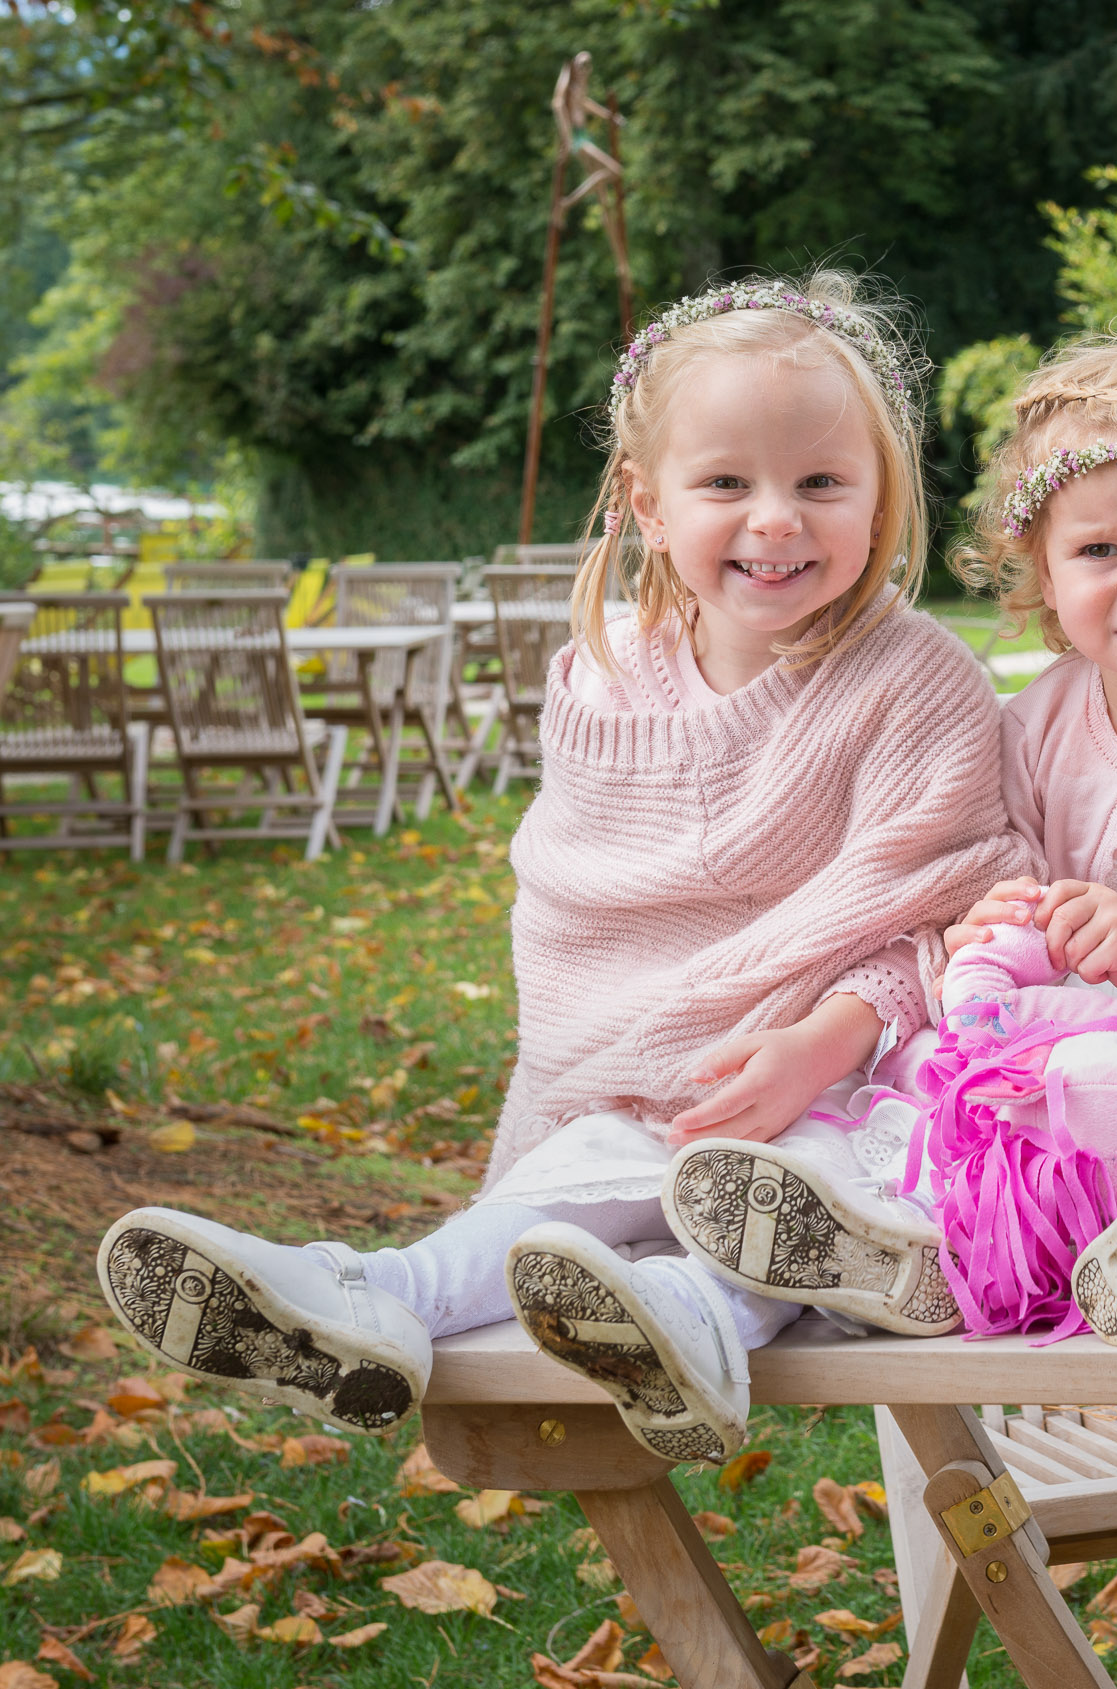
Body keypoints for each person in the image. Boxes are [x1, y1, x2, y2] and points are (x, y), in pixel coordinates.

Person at [94, 271, 1030, 1463]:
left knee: (796, 1189)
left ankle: (697, 1318)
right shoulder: (603, 672)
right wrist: (650, 1050)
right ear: (647, 502)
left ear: (880, 494)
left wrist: (827, 1038)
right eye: (726, 484)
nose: (776, 519)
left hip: (843, 1071)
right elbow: (583, 903)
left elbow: (947, 907)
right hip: (638, 1071)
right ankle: (374, 1297)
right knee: (596, 1164)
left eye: (821, 484)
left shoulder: (917, 679)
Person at [662, 325, 1117, 1359]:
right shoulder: (1031, 726)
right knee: (930, 1075)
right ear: (1042, 575)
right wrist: (996, 929)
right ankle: (889, 1237)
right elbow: (1001, 892)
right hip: (1066, 1057)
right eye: (1099, 552)